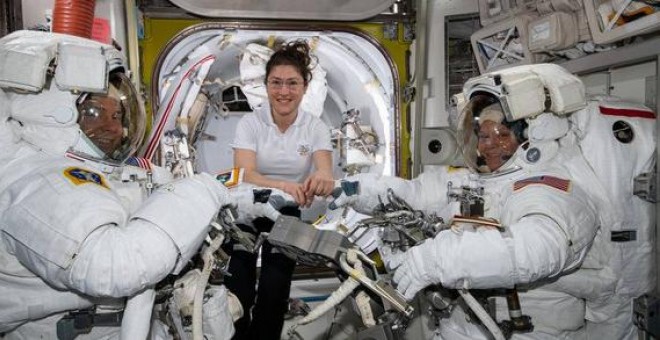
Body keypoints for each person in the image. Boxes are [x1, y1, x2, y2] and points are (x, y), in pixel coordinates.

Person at [331, 63, 656, 339]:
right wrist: (357, 190)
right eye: (483, 135)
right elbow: (417, 194)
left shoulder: (552, 188)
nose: (488, 145)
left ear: (533, 135)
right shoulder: (480, 181)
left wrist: (436, 260)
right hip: (465, 328)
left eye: (502, 135)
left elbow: (538, 248)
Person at [0, 30, 280, 339]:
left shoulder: (109, 174)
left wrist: (241, 199)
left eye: (117, 113)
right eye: (94, 113)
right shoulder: (34, 182)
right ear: (51, 113)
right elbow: (115, 266)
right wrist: (206, 189)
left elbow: (165, 198)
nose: (116, 128)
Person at [227, 40, 334, 340]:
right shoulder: (251, 123)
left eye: (292, 83)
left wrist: (322, 179)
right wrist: (284, 184)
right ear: (266, 85)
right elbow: (245, 172)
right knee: (238, 285)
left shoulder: (315, 127)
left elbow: (325, 168)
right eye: (276, 83)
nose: (283, 92)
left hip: (286, 210)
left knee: (275, 285)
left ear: (304, 85)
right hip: (247, 206)